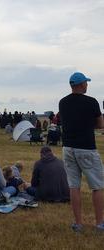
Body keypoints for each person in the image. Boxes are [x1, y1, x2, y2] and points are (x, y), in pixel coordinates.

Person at [59, 72, 104, 232]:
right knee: (97, 186)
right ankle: (99, 223)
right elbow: (100, 124)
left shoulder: (62, 102)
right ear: (81, 84)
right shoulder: (92, 102)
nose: (87, 85)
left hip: (68, 148)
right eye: (86, 83)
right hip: (86, 148)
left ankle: (78, 223)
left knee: (74, 186)